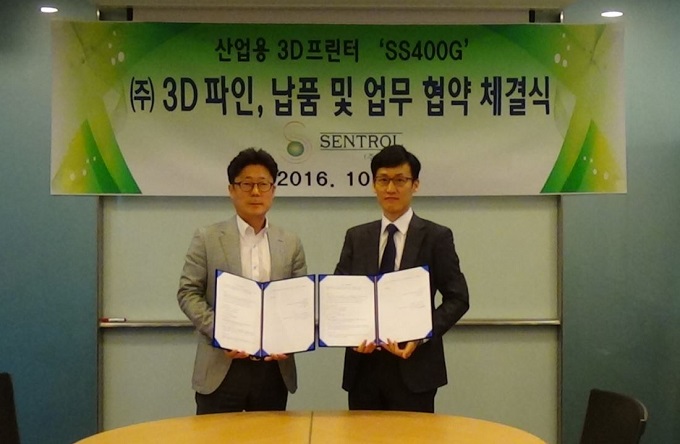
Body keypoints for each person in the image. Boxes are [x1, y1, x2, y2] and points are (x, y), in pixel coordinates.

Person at [334, 144, 470, 413]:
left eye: (400, 180)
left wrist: (422, 335)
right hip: (363, 369)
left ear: (415, 185)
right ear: (373, 185)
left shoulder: (436, 237)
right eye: (383, 180)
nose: (390, 188)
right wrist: (350, 334)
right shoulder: (357, 237)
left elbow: (458, 298)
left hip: (415, 368)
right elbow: (339, 293)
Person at [177, 147, 307, 414]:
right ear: (231, 189)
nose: (256, 192)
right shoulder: (207, 238)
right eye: (247, 184)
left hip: (273, 369)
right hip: (221, 367)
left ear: (273, 190)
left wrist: (289, 339)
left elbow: (300, 301)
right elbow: (188, 293)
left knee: (271, 435)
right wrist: (220, 332)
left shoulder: (290, 243)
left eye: (263, 184)